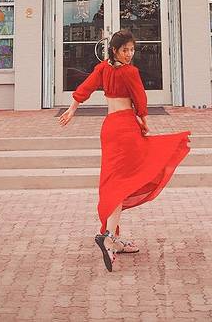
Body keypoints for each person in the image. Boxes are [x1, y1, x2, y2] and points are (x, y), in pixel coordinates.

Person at [58, 30, 191, 272]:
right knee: (126, 179)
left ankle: (114, 239)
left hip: (110, 128)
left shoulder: (102, 69)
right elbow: (140, 99)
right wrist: (144, 121)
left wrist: (72, 109)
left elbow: (85, 88)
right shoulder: (130, 72)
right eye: (125, 50)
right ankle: (109, 237)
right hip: (126, 127)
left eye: (131, 49)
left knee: (115, 181)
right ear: (115, 50)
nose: (129, 54)